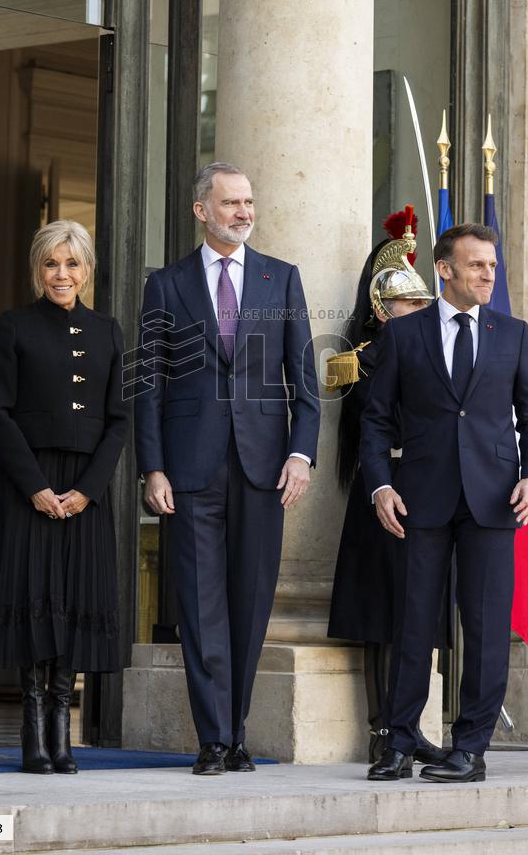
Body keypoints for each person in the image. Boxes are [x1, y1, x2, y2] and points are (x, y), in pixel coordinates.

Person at [134, 162, 320, 775]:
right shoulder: (166, 285)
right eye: (231, 202)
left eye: (248, 202)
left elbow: (305, 380)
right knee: (200, 605)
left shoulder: (281, 278)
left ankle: (236, 732)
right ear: (201, 211)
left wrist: (301, 453)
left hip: (264, 468)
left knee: (250, 604)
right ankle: (214, 739)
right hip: (190, 470)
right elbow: (149, 386)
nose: (243, 212)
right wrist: (153, 467)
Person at [362, 223, 528, 783]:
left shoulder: (512, 333)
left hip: (495, 502)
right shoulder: (404, 334)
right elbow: (375, 421)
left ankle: (470, 748)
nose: (488, 275)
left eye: (492, 265)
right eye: (476, 265)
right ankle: (399, 743)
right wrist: (381, 485)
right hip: (419, 500)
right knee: (413, 623)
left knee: (487, 628)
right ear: (444, 270)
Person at [0, 220, 129, 775]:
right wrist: (35, 487)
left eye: (72, 264)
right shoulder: (14, 325)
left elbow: (120, 419)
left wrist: (88, 491)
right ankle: (33, 726)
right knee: (34, 597)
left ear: (87, 271)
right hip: (30, 485)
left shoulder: (108, 330)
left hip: (85, 489)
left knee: (75, 600)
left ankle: (63, 726)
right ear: (37, 270)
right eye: (51, 264)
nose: (61, 274)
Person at [327, 210, 450, 767]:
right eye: (409, 304)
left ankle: (411, 726)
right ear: (382, 307)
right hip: (383, 488)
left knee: (419, 614)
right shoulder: (357, 362)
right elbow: (372, 423)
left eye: (425, 304)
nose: (421, 311)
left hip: (428, 488)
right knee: (381, 615)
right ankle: (383, 729)